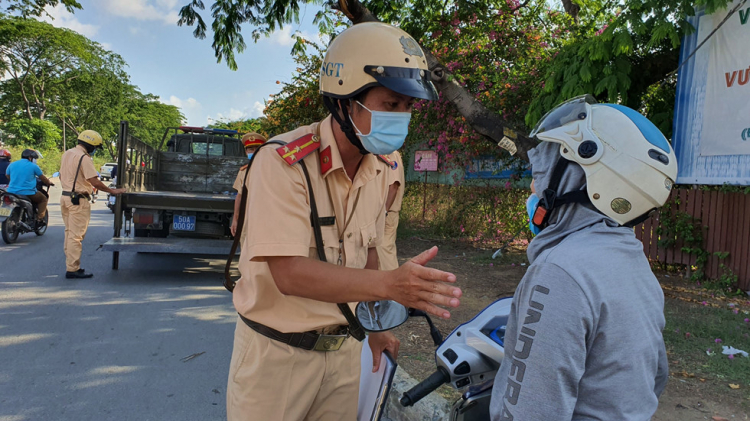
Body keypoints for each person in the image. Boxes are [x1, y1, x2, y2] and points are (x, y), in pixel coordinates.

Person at [227, 22, 462, 421]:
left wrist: (375, 326)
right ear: (345, 101)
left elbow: (367, 248)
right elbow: (289, 274)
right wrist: (391, 285)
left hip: (344, 355)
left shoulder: (386, 165)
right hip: (276, 359)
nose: (403, 118)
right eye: (391, 105)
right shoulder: (283, 162)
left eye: (408, 107)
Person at [490, 96, 676, 421]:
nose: (534, 185)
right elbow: (655, 376)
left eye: (544, 171)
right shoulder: (634, 262)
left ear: (583, 181)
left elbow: (528, 412)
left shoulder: (561, 271)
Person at [60, 130, 126, 279]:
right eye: (95, 147)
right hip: (78, 199)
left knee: (69, 233)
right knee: (76, 237)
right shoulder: (84, 158)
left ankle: (71, 264)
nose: (94, 150)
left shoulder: (67, 153)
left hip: (65, 197)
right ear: (90, 145)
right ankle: (72, 269)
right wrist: (112, 191)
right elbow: (94, 181)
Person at [230, 132, 266, 241]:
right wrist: (235, 219)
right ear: (246, 151)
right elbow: (239, 197)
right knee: (245, 248)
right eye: (250, 149)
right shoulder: (243, 171)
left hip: (266, 217)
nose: (253, 151)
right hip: (247, 217)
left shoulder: (270, 170)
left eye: (257, 148)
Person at [4, 149, 53, 225]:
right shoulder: (33, 166)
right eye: (34, 159)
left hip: (11, 192)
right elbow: (42, 178)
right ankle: (39, 219)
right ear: (30, 158)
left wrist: (15, 181)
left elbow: (7, 175)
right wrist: (49, 182)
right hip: (28, 192)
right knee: (43, 199)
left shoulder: (12, 164)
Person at [376, 151, 405, 270]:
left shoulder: (391, 154)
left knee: (385, 253)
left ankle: (394, 286)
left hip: (386, 214)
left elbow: (393, 186)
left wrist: (384, 212)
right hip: (377, 214)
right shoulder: (376, 152)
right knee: (375, 254)